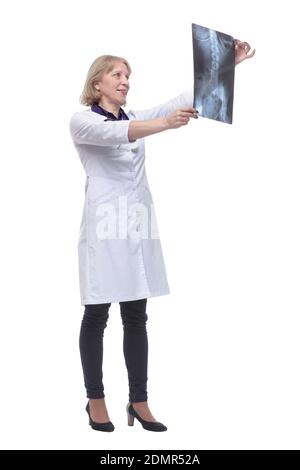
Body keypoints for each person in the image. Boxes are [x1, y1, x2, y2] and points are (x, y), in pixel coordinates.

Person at [69, 41, 255, 433]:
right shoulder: (82, 121)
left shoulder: (134, 114)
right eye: (117, 75)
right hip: (104, 228)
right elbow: (124, 132)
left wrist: (225, 64)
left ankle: (139, 401)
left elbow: (176, 102)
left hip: (137, 224)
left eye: (128, 76)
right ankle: (95, 399)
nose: (125, 82)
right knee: (97, 313)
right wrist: (166, 124)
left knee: (137, 315)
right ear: (97, 82)